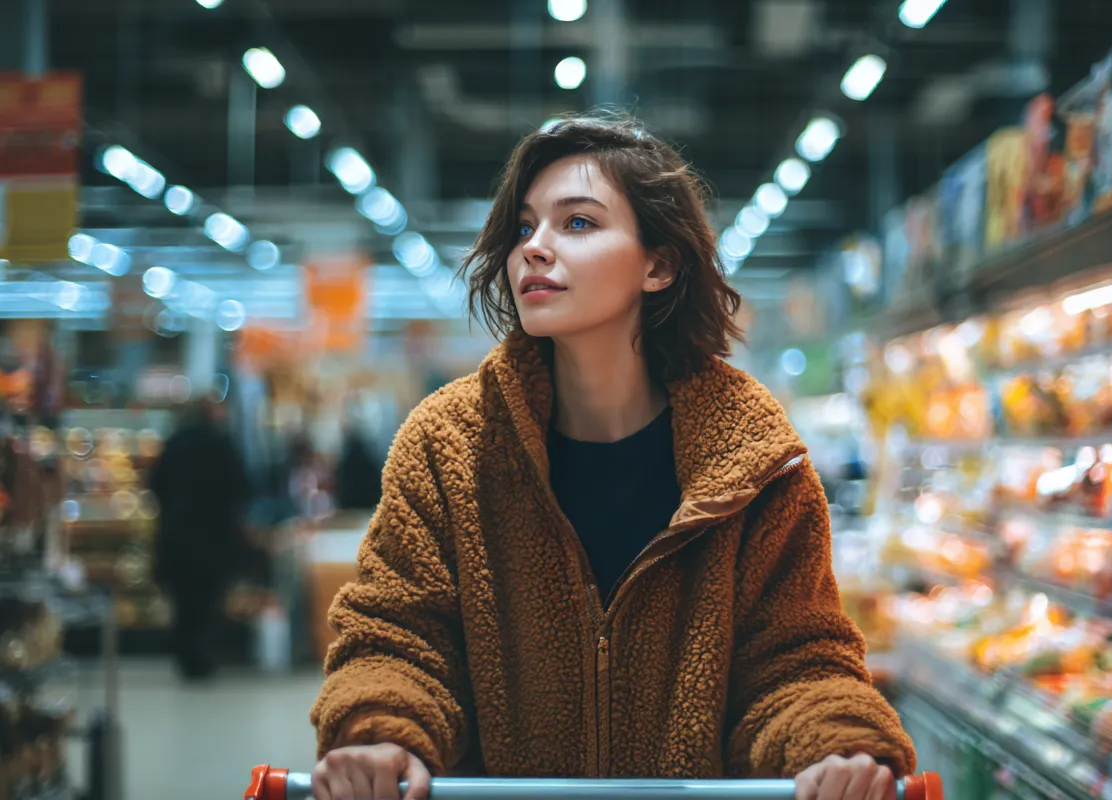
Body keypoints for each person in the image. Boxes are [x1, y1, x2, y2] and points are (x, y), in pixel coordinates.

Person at [310, 112, 915, 800]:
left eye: (577, 223)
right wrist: (380, 731)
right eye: (523, 227)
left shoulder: (755, 461)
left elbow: (796, 659)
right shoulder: (449, 446)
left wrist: (834, 745)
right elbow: (395, 634)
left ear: (658, 264)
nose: (534, 248)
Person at [150, 396, 249, 680]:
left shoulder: (174, 443)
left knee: (183, 599)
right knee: (206, 599)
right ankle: (201, 655)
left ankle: (184, 653)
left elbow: (155, 485)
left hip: (177, 535)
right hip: (213, 537)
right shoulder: (220, 444)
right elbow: (241, 488)